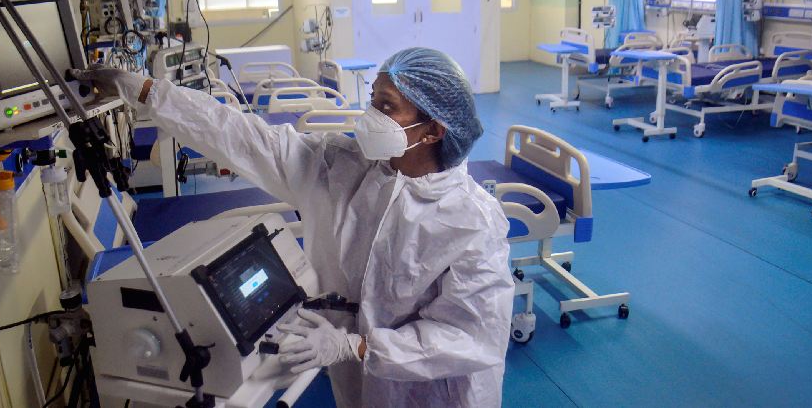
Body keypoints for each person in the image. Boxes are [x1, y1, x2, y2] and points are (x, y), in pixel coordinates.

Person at [75, 47, 514, 407]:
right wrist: (149, 92)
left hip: (437, 394)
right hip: (358, 386)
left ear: (433, 130)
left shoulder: (472, 222)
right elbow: (244, 137)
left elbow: (469, 335)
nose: (370, 116)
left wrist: (358, 347)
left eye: (386, 107)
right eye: (372, 99)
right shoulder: (343, 169)